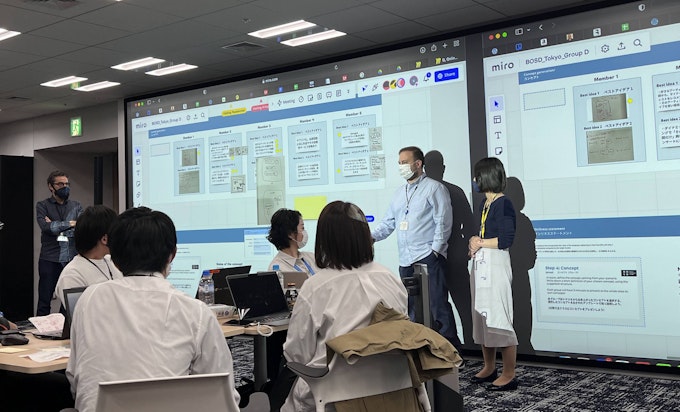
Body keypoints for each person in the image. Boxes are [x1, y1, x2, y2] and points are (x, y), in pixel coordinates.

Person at [66, 207, 240, 412]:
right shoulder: (195, 311)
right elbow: (221, 396)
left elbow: (76, 378)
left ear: (114, 258)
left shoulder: (89, 299)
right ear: (172, 255)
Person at [282, 201, 408, 411]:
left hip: (332, 397)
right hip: (395, 391)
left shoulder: (316, 287)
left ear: (325, 241)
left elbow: (297, 355)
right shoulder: (391, 279)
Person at [371, 146, 461, 349]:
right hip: (406, 260)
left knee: (438, 306)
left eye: (404, 162)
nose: (401, 167)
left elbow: (443, 221)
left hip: (428, 256)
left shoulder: (434, 188)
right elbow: (388, 223)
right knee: (411, 308)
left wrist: (435, 251)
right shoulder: (399, 193)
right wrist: (370, 237)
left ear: (418, 164)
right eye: (399, 163)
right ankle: (420, 350)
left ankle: (451, 351)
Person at [468, 157, 518, 391]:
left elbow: (506, 240)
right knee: (482, 318)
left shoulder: (503, 204)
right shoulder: (484, 205)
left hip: (496, 265)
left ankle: (509, 373)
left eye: (478, 176)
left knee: (500, 317)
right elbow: (482, 234)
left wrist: (480, 242)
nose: (475, 180)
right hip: (480, 265)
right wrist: (474, 242)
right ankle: (489, 367)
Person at [424, 149, 476, 347]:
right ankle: (473, 347)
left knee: (439, 308)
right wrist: (465, 249)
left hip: (438, 258)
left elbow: (469, 225)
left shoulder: (424, 194)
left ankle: (445, 349)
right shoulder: (455, 191)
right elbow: (470, 225)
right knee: (463, 307)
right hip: (453, 257)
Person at [55, 205, 123, 308]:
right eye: (117, 233)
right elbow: (79, 315)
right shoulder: (71, 275)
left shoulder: (110, 261)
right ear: (105, 239)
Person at [36, 170, 83, 315]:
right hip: (49, 258)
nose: (65, 187)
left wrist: (56, 225)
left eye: (67, 184)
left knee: (68, 300)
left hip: (69, 258)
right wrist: (70, 223)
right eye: (60, 184)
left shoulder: (76, 206)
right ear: (51, 186)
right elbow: (45, 227)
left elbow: (81, 227)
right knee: (45, 299)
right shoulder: (42, 205)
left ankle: (65, 332)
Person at [267, 208, 319, 275]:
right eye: (302, 228)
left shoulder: (311, 257)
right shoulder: (277, 268)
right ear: (290, 234)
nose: (304, 232)